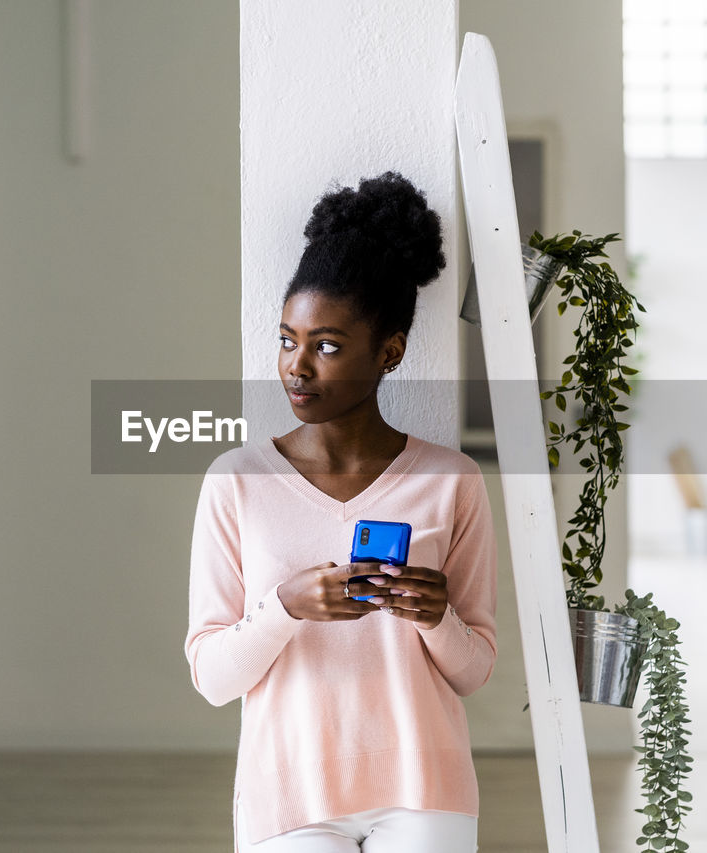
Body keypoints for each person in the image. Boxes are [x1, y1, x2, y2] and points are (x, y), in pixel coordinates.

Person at [184, 171, 499, 852]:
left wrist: (434, 614)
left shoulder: (452, 480)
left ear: (389, 352)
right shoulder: (234, 480)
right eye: (287, 338)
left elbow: (474, 670)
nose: (298, 366)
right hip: (289, 793)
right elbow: (212, 676)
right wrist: (286, 605)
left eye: (327, 345)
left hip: (426, 789)